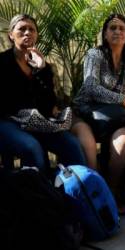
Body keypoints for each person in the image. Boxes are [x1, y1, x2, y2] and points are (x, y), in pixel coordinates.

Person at [71, 13, 125, 213]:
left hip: (117, 118)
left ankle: (112, 191)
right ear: (105, 34)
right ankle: (94, 196)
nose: (117, 31)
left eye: (121, 28)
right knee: (89, 148)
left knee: (123, 144)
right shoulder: (95, 54)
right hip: (86, 114)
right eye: (112, 28)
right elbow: (90, 86)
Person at [0, 14, 87, 173]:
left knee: (71, 145)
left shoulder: (43, 66)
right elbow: (6, 101)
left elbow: (48, 104)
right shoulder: (2, 62)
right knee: (32, 147)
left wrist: (40, 70)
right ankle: (40, 195)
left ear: (36, 35)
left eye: (31, 30)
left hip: (37, 122)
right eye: (22, 29)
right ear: (11, 35)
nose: (27, 33)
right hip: (8, 122)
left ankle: (77, 192)